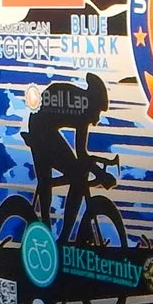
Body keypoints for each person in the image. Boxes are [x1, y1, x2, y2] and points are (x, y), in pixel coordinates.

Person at [25, 71, 106, 243]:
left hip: (41, 127)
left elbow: (82, 155)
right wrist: (100, 173)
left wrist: (98, 171)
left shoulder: (82, 104)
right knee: (74, 176)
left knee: (60, 178)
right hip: (41, 130)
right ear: (93, 103)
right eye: (98, 110)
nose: (97, 117)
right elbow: (82, 155)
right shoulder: (83, 109)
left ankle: (55, 236)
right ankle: (57, 237)